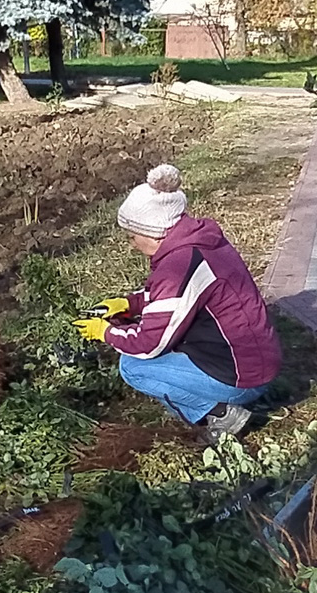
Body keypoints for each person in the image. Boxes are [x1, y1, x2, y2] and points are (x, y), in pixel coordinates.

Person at [71, 164, 282, 441]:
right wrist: (128, 304)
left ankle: (222, 413)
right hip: (254, 361)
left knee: (134, 368)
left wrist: (106, 332)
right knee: (156, 349)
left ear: (153, 232)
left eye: (133, 236)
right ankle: (224, 404)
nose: (132, 244)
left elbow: (149, 344)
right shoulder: (199, 242)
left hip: (245, 376)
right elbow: (174, 298)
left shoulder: (181, 264)